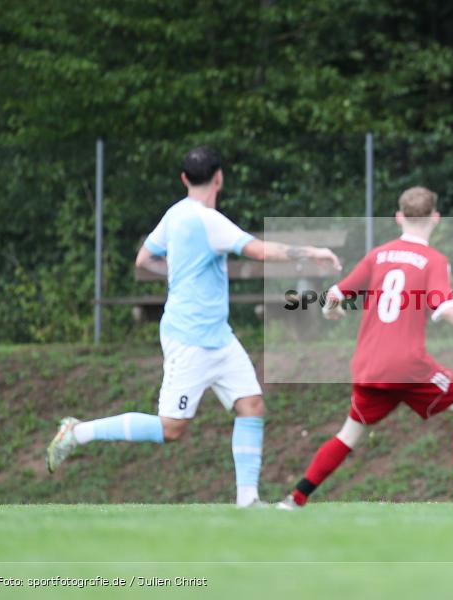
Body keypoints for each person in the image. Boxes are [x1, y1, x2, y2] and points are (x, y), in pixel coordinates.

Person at [46, 146, 341, 507]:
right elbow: (261, 251)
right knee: (171, 429)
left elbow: (144, 259)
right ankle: (78, 432)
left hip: (218, 336)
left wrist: (177, 274)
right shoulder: (207, 220)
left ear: (185, 179)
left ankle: (248, 500)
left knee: (251, 405)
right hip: (190, 339)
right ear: (220, 177)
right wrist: (313, 252)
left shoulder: (175, 214)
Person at [277, 186, 453, 510]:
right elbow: (446, 308)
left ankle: (295, 499)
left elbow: (334, 295)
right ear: (436, 218)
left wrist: (329, 311)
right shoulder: (433, 259)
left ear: (398, 217)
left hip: (369, 366)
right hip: (409, 366)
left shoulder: (378, 255)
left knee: (349, 434)